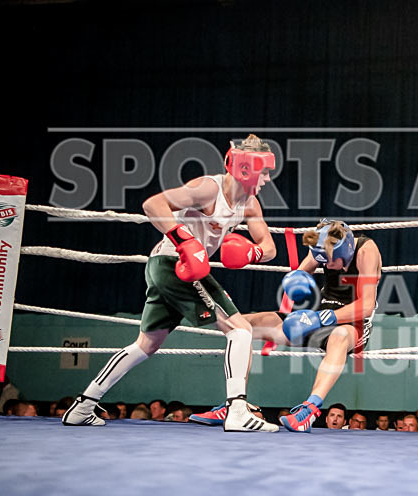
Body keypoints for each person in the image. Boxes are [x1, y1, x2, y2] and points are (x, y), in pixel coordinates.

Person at [61, 135, 279, 433]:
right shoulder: (208, 188)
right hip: (172, 264)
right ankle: (238, 409)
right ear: (245, 169)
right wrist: (184, 239)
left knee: (146, 344)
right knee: (241, 330)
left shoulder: (249, 204)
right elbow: (153, 204)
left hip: (172, 269)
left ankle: (84, 406)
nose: (267, 178)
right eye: (264, 171)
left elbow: (269, 247)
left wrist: (251, 252)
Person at [246, 219, 382, 432]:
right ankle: (233, 402)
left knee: (338, 336)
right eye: (323, 261)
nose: (326, 266)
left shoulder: (366, 250)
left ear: (345, 250)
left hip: (352, 323)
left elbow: (366, 305)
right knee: (246, 324)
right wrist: (295, 281)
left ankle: (309, 410)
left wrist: (321, 318)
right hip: (317, 317)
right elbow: (301, 272)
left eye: (330, 261)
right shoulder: (323, 244)